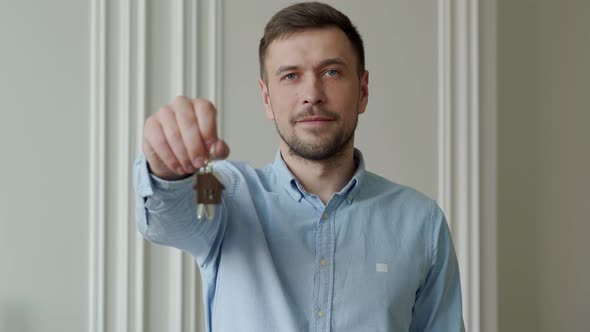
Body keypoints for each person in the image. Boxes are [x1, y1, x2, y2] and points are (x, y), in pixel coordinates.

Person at [134, 2, 465, 331]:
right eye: (291, 76)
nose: (312, 94)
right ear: (266, 98)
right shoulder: (223, 194)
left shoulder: (423, 223)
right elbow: (171, 219)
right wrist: (169, 170)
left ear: (363, 91)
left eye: (331, 72)